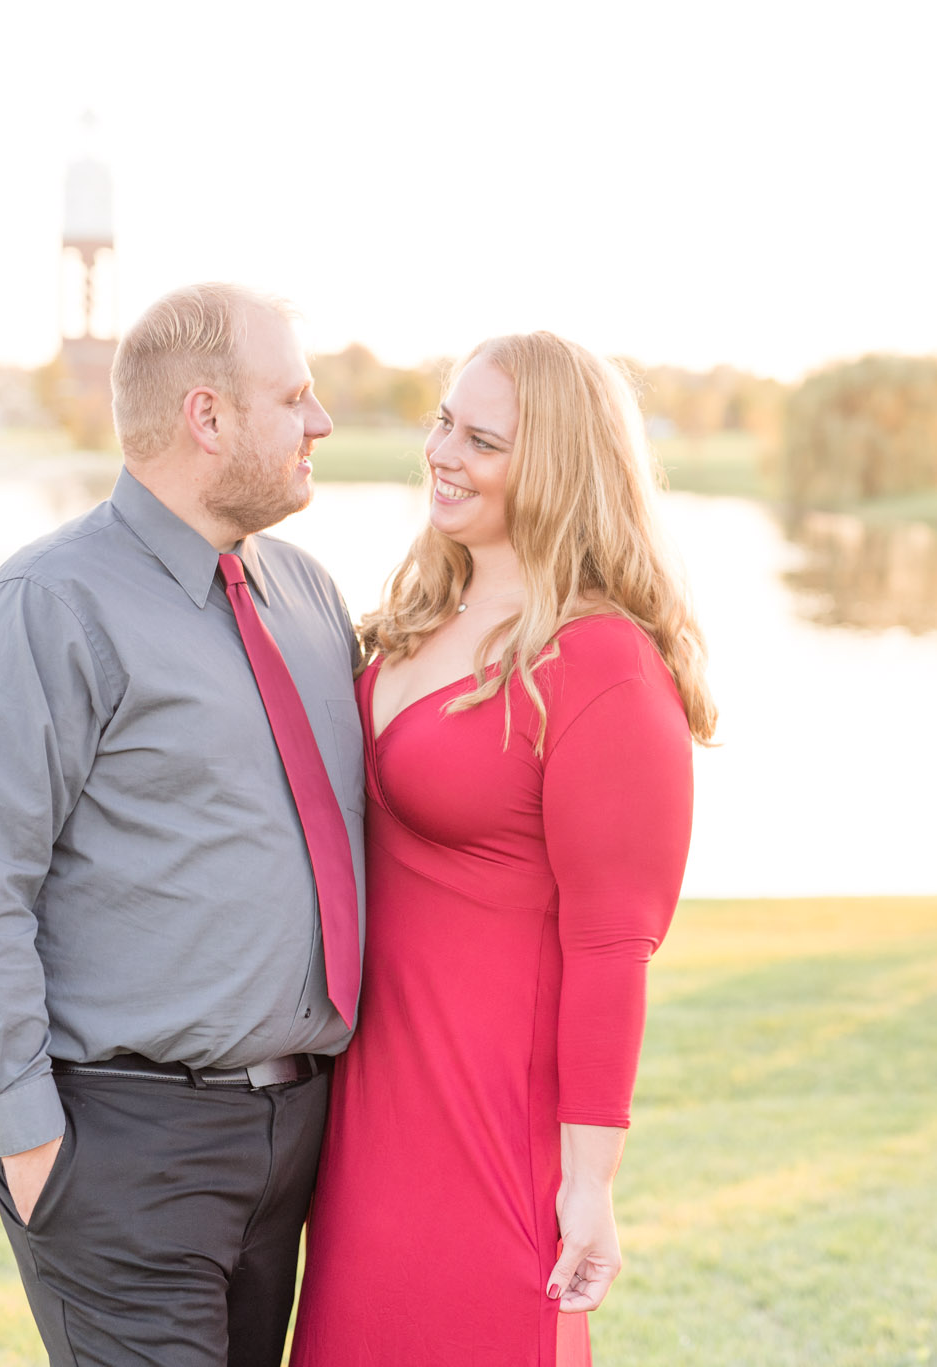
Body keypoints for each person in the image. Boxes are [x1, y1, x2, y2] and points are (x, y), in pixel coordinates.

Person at [0, 282, 365, 1367]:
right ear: (207, 418)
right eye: (294, 395)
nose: (322, 421)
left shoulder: (306, 594)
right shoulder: (44, 608)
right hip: (124, 1146)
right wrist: (31, 1141)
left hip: (301, 1136)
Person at [288, 332, 717, 1366]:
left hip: (489, 1130)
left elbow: (612, 950)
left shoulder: (604, 667)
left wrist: (587, 1182)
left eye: (482, 438)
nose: (444, 451)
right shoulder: (423, 612)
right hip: (365, 1117)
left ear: (559, 468)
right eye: (443, 421)